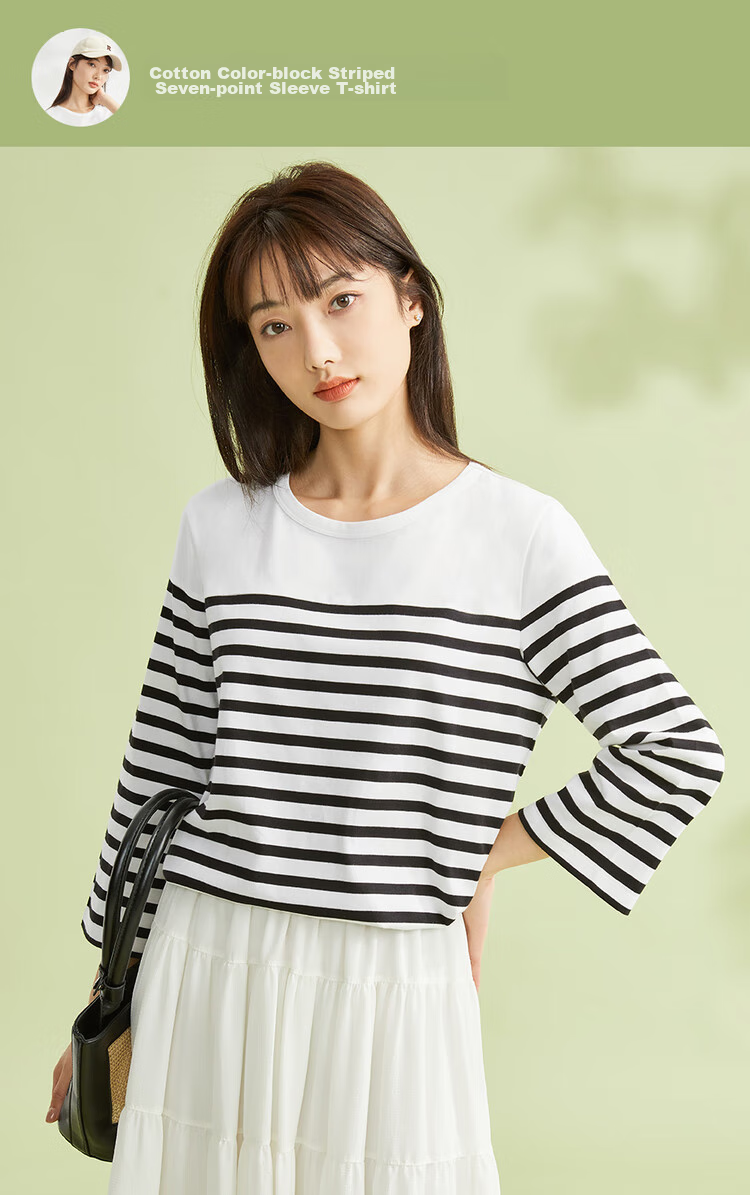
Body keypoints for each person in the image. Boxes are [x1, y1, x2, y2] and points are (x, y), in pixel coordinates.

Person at [47, 161, 725, 1192]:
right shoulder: (220, 526)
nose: (316, 350)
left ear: (410, 297)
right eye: (274, 325)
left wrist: (479, 854)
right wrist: (105, 998)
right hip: (205, 964)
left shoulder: (517, 534)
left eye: (340, 300)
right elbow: (159, 773)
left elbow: (676, 750)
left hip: (392, 980)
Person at [46, 33, 121, 126]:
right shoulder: (52, 116)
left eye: (105, 70)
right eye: (92, 65)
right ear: (72, 64)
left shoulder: (108, 113)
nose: (98, 76)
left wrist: (104, 99)